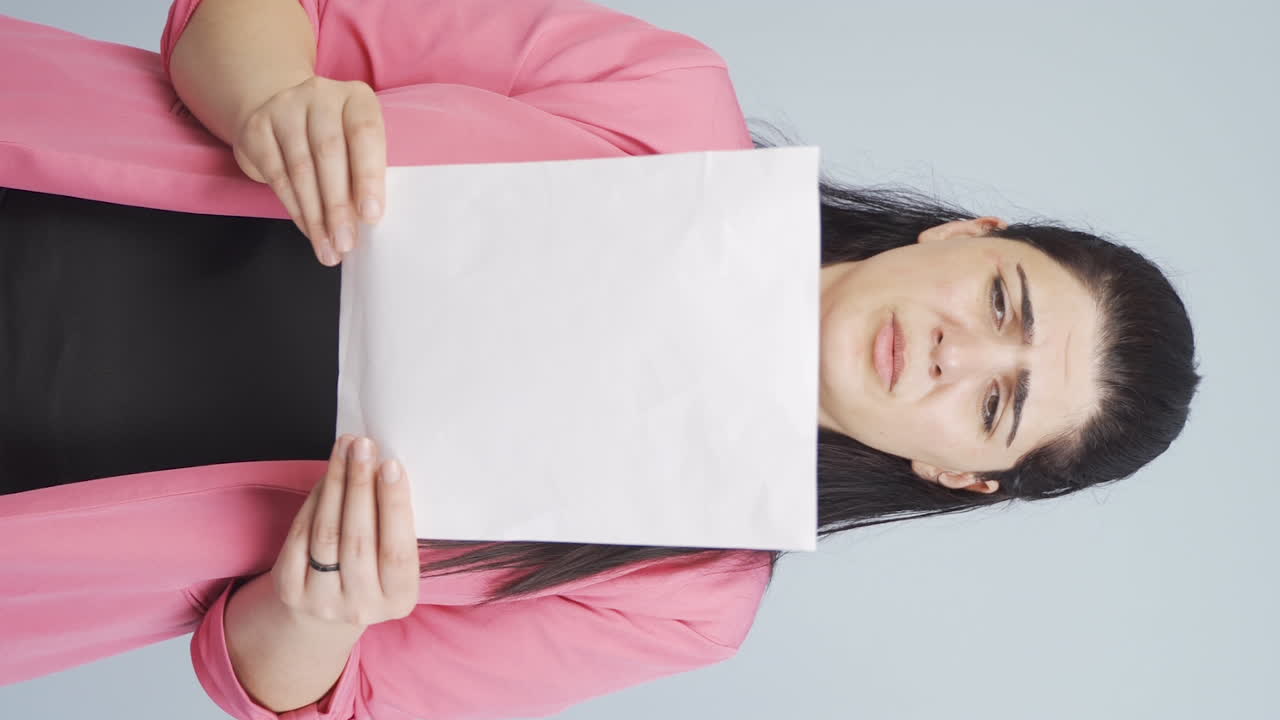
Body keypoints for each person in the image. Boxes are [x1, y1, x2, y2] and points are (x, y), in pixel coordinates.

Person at [0, 1, 1199, 719]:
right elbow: (264, 16)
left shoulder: (687, 598)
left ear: (956, 475)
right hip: (47, 176)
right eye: (1003, 302)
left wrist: (316, 614)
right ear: (962, 233)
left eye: (995, 406)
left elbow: (307, 697)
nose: (954, 353)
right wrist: (275, 98)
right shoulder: (669, 99)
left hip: (46, 508)